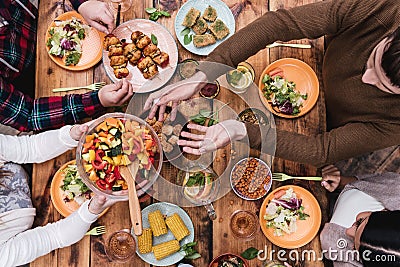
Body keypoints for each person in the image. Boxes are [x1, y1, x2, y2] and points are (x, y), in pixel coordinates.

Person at [144, 0, 400, 168]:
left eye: (384, 86)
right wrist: (204, 73)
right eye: (372, 60)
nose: (364, 79)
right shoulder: (385, 8)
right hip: (319, 58)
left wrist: (240, 130)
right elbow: (280, 24)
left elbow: (323, 150)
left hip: (338, 123)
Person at [0, 122, 124, 266]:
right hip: (41, 232)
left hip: (29, 169)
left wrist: (70, 135)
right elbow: (55, 236)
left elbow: (29, 148)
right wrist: (92, 209)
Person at [0, 0, 133, 132]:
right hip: (23, 82)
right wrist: (97, 100)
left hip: (39, 26)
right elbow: (27, 115)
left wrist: (82, 3)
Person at [319, 165, 400, 266]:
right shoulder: (396, 189)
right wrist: (341, 182)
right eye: (360, 222)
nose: (348, 232)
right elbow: (370, 181)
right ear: (386, 212)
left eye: (355, 248)